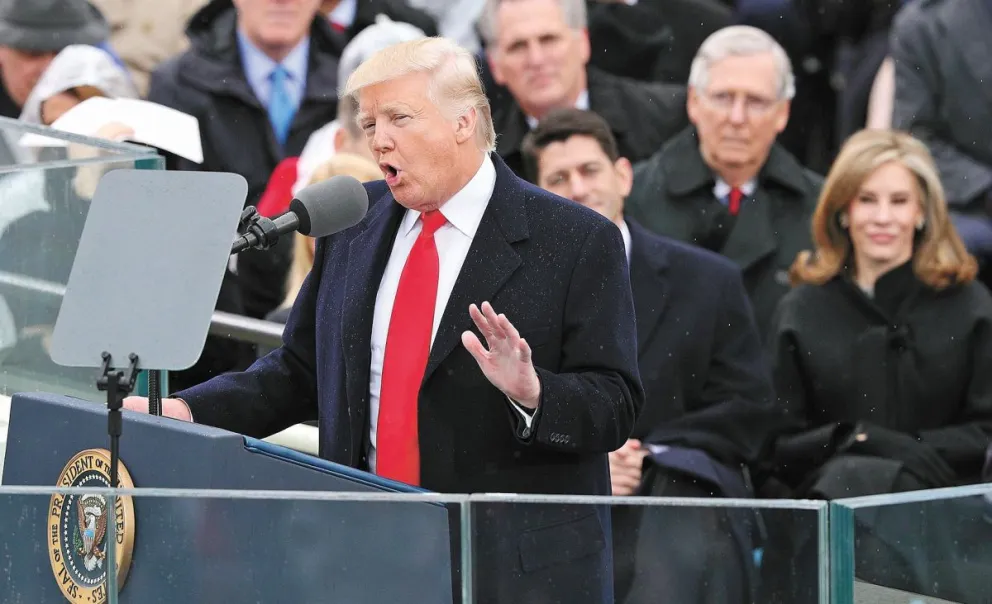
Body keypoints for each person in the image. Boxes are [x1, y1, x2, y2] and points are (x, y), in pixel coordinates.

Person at [126, 36, 643, 604]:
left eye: (399, 117)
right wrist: (191, 409)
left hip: (509, 571)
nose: (380, 140)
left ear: (464, 122)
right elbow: (300, 372)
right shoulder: (355, 221)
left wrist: (534, 392)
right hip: (365, 556)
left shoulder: (575, 239)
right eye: (369, 124)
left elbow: (614, 404)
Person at [523, 108, 781, 604]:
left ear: (623, 176)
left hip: (676, 502)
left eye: (590, 171)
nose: (577, 188)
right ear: (537, 197)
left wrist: (644, 455)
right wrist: (592, 455)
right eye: (558, 178)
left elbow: (748, 408)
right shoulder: (515, 295)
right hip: (561, 496)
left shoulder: (709, 280)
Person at [766, 129, 992, 601]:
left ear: (923, 212)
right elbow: (776, 442)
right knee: (852, 484)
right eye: (867, 199)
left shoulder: (969, 304)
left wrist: (900, 449)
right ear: (843, 211)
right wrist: (854, 439)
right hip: (833, 505)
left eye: (899, 200)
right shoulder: (802, 308)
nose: (883, 217)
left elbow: (984, 429)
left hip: (945, 505)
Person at [626, 25, 822, 339]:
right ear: (693, 102)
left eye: (756, 101)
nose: (737, 117)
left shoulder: (820, 208)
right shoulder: (632, 197)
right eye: (723, 98)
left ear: (782, 112)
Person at [477, 0, 687, 178]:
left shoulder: (666, 117)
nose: (536, 59)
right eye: (518, 46)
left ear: (583, 43)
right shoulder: (483, 160)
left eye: (549, 39)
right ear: (495, 65)